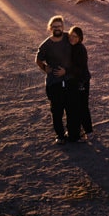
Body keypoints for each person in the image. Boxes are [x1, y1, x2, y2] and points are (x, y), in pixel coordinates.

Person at [36, 15, 72, 144]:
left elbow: (78, 50)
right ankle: (60, 135)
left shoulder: (69, 38)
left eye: (59, 26)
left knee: (71, 108)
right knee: (56, 110)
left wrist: (67, 71)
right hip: (54, 83)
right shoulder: (46, 44)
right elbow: (38, 59)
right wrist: (45, 68)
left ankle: (73, 132)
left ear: (63, 27)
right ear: (50, 28)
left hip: (69, 80)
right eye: (54, 27)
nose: (57, 29)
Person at [65, 26, 93, 141]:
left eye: (75, 37)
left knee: (82, 106)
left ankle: (89, 131)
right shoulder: (71, 46)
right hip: (74, 81)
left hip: (82, 82)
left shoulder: (80, 49)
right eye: (71, 36)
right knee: (75, 106)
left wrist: (65, 70)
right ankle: (77, 131)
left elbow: (79, 69)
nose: (72, 38)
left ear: (80, 38)